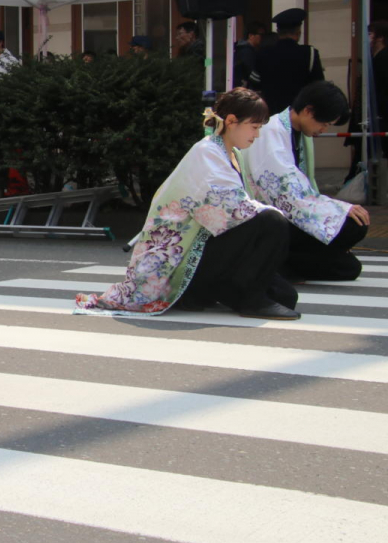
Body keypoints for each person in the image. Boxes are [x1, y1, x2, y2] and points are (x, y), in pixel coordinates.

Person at [77, 88, 299, 320]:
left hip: (205, 250)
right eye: (254, 127)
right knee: (272, 222)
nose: (257, 134)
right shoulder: (206, 152)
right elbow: (228, 211)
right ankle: (248, 301)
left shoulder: (229, 152)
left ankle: (234, 292)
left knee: (286, 296)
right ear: (232, 121)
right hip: (179, 265)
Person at [240, 81, 370, 281]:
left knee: (350, 267)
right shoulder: (271, 134)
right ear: (309, 111)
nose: (323, 129)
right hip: (269, 220)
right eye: (324, 123)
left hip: (287, 214)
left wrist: (336, 208)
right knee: (353, 225)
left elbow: (299, 192)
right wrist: (340, 208)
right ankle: (272, 261)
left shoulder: (296, 133)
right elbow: (287, 195)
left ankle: (279, 263)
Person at [251, 8, 326, 115]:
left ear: (278, 32)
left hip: (271, 116)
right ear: (298, 32)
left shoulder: (263, 54)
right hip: (300, 116)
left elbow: (254, 85)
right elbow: (319, 86)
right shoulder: (309, 53)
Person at [232, 22, 265, 87]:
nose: (263, 38)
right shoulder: (246, 51)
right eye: (261, 35)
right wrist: (264, 83)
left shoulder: (249, 50)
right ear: (251, 36)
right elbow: (251, 73)